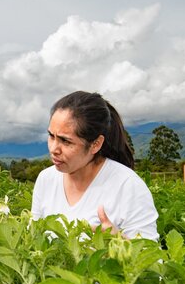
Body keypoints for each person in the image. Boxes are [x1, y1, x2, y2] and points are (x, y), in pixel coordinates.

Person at [31, 91, 159, 240]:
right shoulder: (46, 179)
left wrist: (119, 240)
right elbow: (35, 238)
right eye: (51, 136)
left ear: (95, 144)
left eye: (66, 141)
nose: (54, 149)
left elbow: (154, 260)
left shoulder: (128, 186)